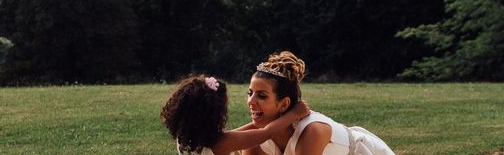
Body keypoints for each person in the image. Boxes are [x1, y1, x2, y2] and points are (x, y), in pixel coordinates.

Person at [244, 51, 396, 155]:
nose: (251, 101)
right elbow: (225, 142)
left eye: (262, 96)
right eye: (250, 93)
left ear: (284, 104)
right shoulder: (255, 138)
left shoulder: (312, 130)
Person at [161, 74, 311, 155]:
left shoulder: (185, 139)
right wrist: (294, 113)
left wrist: (258, 121)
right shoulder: (221, 143)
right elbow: (266, 133)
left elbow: (236, 134)